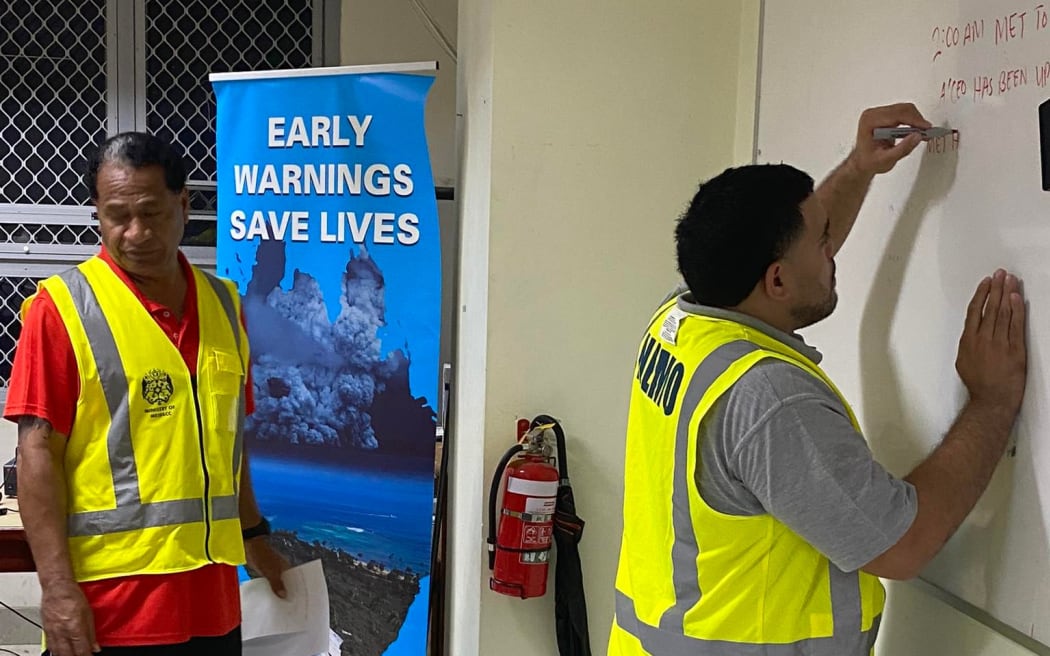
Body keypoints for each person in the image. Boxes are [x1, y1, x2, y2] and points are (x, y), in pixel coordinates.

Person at [609, 103, 1028, 655]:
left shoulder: (682, 321)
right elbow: (901, 546)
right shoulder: (768, 400)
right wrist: (993, 402)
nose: (833, 251)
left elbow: (783, 248)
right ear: (777, 280)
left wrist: (857, 169)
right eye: (822, 242)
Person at [6, 132, 290, 656]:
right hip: (112, 607)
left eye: (152, 213)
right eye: (117, 215)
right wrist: (57, 588)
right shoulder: (62, 308)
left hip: (213, 599)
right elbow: (35, 453)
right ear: (97, 212)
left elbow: (229, 443)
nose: (135, 233)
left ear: (183, 205)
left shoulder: (225, 306)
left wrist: (254, 537)